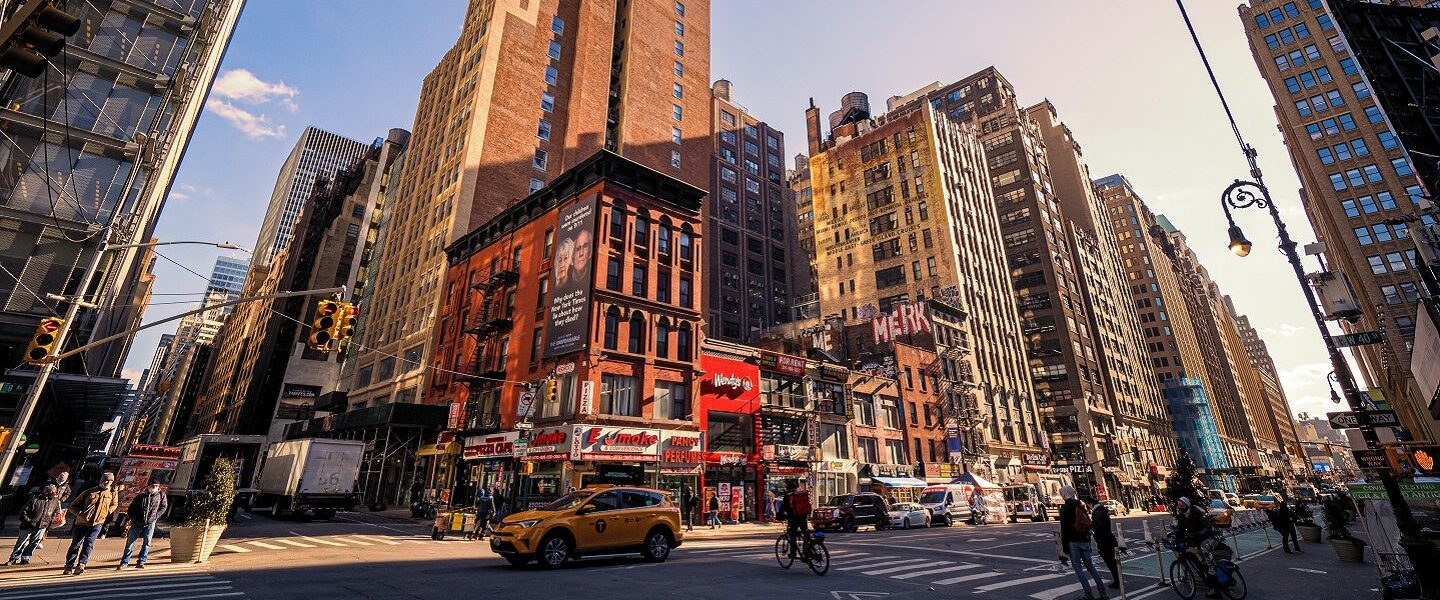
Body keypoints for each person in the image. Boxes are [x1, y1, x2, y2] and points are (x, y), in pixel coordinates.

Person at [64, 472, 118, 575]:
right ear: (101, 480)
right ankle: (69, 565)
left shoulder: (111, 494)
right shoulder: (89, 492)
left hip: (97, 523)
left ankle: (82, 564)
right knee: (76, 544)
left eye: (110, 481)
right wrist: (80, 514)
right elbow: (72, 506)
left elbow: (114, 504)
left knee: (89, 543)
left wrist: (107, 512)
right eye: (106, 480)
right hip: (82, 523)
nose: (107, 482)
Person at [1058, 486, 1107, 600]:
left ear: (1064, 495)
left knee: (1078, 568)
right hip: (1084, 540)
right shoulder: (1080, 505)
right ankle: (1103, 593)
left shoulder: (1065, 508)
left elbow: (1064, 528)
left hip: (1073, 542)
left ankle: (1088, 594)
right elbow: (1087, 523)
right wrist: (1088, 541)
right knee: (1091, 567)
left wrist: (1064, 546)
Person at [117, 479, 167, 570]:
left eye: (156, 486)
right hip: (137, 522)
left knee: (147, 542)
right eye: (153, 486)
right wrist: (134, 518)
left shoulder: (161, 495)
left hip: (151, 522)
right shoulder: (140, 496)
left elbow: (164, 507)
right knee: (130, 543)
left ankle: (141, 561)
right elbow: (131, 510)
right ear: (148, 486)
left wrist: (155, 516)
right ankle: (124, 562)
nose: (154, 488)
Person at [7, 483, 62, 565]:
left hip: (42, 525)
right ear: (48, 492)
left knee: (34, 542)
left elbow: (56, 511)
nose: (55, 494)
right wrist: (28, 520)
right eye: (53, 493)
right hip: (28, 525)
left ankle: (26, 558)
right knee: (21, 542)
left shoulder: (55, 501)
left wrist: (50, 520)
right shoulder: (35, 499)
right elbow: (24, 511)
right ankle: (13, 558)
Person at [776, 480, 812, 559]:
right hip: (803, 515)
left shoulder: (788, 495)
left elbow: (782, 508)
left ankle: (793, 553)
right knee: (805, 531)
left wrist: (779, 516)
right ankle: (808, 551)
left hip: (793, 517)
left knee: (792, 534)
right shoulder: (801, 493)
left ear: (788, 487)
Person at [1091, 499, 1121, 590]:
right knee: (1113, 562)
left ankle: (1117, 581)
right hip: (1109, 538)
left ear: (1091, 504)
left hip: (1105, 540)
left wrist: (1093, 528)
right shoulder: (1102, 510)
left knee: (1110, 562)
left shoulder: (1097, 512)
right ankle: (1118, 580)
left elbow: (1099, 527)